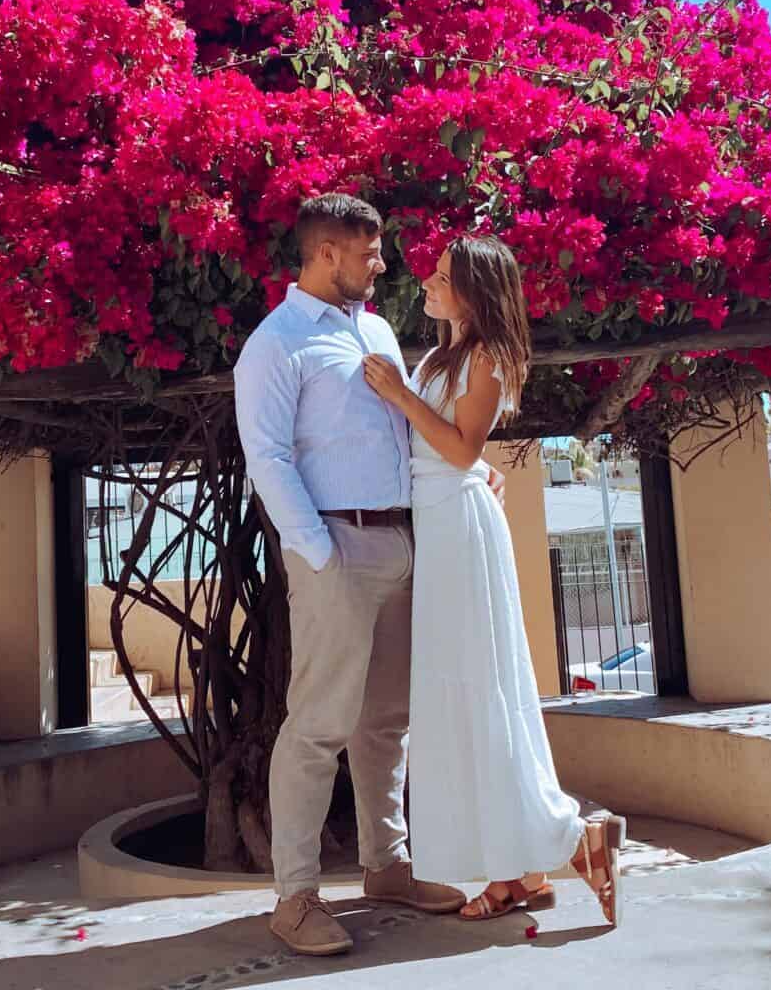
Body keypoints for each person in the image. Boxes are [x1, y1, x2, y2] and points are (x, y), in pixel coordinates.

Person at [233, 194, 471, 957]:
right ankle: (294, 897)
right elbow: (266, 455)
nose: (382, 263)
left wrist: (470, 481)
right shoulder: (276, 343)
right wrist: (316, 550)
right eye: (369, 252)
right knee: (318, 727)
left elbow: (402, 434)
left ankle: (386, 867)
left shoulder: (373, 331)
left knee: (385, 720)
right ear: (327, 252)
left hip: (401, 541)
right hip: (336, 547)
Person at [362, 234, 624, 925]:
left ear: (473, 291)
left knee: (478, 692)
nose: (428, 280)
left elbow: (459, 448)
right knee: (463, 696)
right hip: (444, 524)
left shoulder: (486, 357)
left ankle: (566, 844)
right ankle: (520, 870)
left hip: (460, 534)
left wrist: (398, 396)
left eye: (443, 275)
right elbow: (456, 456)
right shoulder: (446, 354)